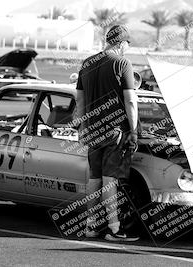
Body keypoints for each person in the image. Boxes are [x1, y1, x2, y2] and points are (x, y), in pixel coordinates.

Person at [76, 25, 139, 241]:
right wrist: (134, 130)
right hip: (115, 132)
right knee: (109, 180)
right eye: (127, 45)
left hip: (93, 131)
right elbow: (130, 100)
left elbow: (80, 100)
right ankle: (114, 229)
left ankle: (91, 226)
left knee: (94, 180)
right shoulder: (122, 63)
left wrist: (83, 128)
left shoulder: (87, 63)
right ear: (121, 43)